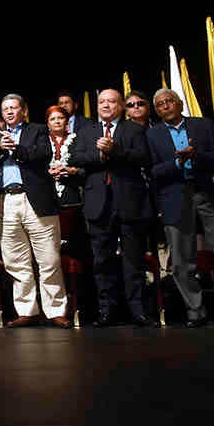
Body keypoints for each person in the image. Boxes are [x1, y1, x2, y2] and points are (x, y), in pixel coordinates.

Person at [147, 89, 214, 327]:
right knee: (181, 261)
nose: (165, 107)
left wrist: (196, 156)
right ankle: (195, 311)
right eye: (159, 105)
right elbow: (153, 171)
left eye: (168, 102)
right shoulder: (152, 135)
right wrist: (178, 162)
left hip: (210, 193)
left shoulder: (203, 125)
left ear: (179, 104)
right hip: (175, 198)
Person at [0, 94, 69, 328]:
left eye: (13, 108)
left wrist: (16, 149)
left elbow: (42, 155)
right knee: (15, 260)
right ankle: (27, 310)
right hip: (6, 201)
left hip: (35, 200)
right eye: (5, 108)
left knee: (49, 258)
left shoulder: (36, 130)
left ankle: (55, 310)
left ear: (23, 110)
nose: (8, 112)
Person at [71, 88, 154, 327]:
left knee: (133, 261)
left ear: (121, 106)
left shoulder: (135, 129)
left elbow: (142, 158)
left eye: (112, 101)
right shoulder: (86, 132)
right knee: (102, 261)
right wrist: (99, 154)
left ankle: (138, 311)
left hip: (129, 202)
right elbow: (76, 158)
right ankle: (107, 311)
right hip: (99, 204)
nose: (106, 105)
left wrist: (114, 150)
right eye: (102, 102)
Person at [46, 105, 84, 208]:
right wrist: (47, 172)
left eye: (61, 118)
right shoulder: (42, 141)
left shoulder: (78, 140)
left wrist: (73, 170)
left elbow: (85, 167)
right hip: (47, 194)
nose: (57, 121)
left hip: (72, 191)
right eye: (52, 119)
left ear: (67, 121)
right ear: (48, 124)